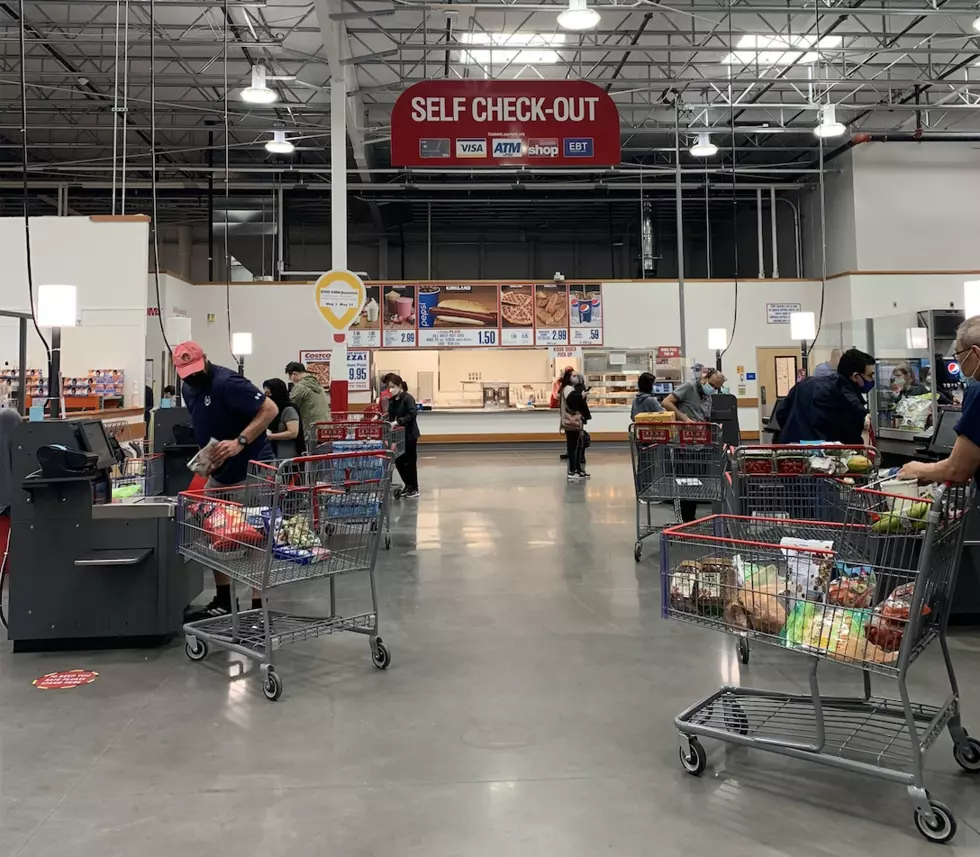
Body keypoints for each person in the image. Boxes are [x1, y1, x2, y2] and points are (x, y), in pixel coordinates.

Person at [175, 341, 278, 619]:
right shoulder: (188, 389)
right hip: (220, 472)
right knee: (215, 533)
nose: (193, 377)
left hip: (253, 469)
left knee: (257, 536)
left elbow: (270, 410)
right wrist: (206, 459)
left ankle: (259, 608)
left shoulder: (228, 382)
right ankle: (224, 600)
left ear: (205, 359)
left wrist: (240, 442)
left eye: (196, 369)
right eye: (186, 372)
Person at [900, 317, 980, 485]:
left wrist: (918, 469)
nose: (958, 361)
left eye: (958, 354)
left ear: (976, 353)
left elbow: (957, 469)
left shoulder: (977, 392)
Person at [774, 348, 875, 445]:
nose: (872, 380)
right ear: (855, 376)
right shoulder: (851, 402)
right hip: (826, 457)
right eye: (870, 375)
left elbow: (781, 413)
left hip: (791, 451)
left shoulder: (806, 384)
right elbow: (852, 441)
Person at [386, 374, 420, 498]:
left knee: (410, 462)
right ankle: (407, 485)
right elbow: (390, 416)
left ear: (399, 386)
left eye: (393, 387)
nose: (390, 390)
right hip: (398, 436)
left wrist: (398, 422)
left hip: (410, 434)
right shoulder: (393, 400)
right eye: (389, 387)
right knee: (399, 460)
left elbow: (412, 414)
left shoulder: (408, 398)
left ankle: (414, 487)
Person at [284, 361, 331, 434]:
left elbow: (291, 406)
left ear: (294, 374)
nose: (290, 379)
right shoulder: (317, 383)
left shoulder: (300, 386)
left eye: (290, 377)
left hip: (311, 428)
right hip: (326, 425)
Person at [263, 378, 303, 458]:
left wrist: (270, 436)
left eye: (268, 393)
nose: (266, 397)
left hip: (288, 455)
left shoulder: (289, 410)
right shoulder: (272, 410)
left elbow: (293, 433)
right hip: (273, 452)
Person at [562, 371, 591, 480]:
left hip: (576, 421)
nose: (576, 378)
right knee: (573, 447)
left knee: (579, 446)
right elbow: (572, 403)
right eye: (573, 376)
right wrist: (581, 396)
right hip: (572, 422)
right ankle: (572, 470)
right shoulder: (568, 389)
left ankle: (578, 470)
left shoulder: (571, 388)